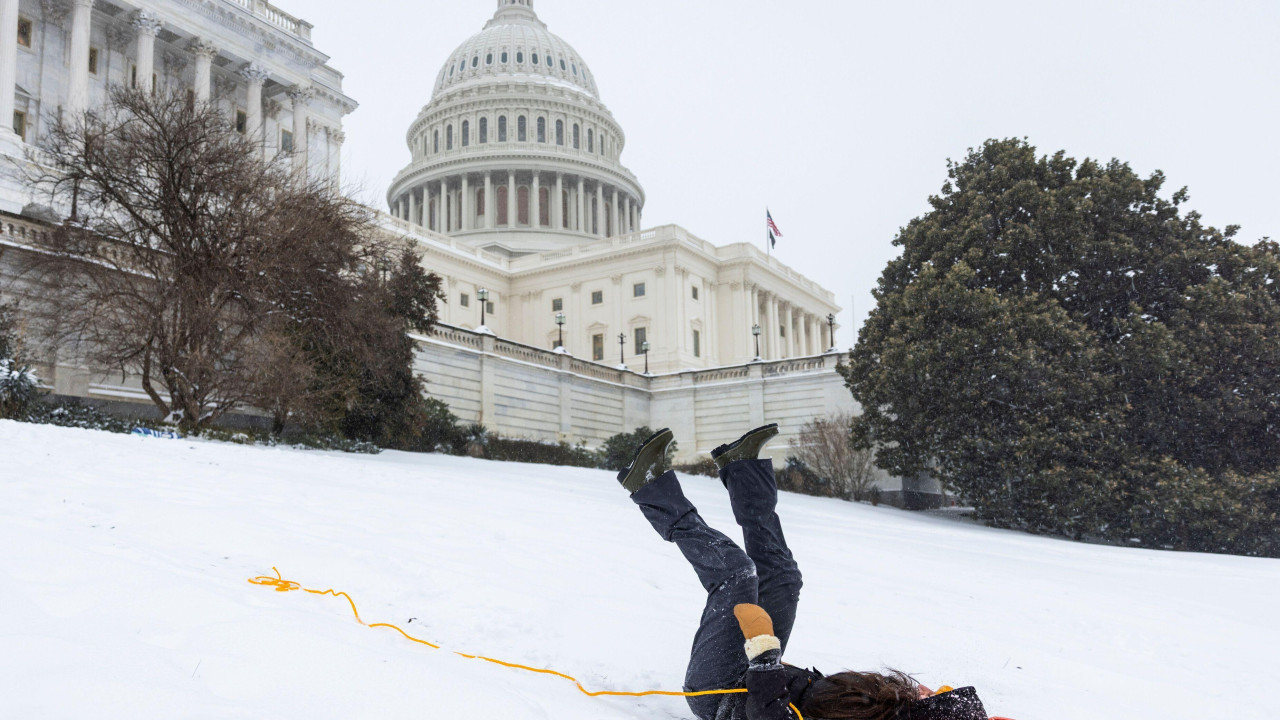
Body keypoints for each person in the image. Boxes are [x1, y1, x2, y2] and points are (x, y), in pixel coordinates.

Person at [617, 424, 1015, 720]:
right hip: (752, 673)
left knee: (736, 574)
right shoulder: (893, 705)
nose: (931, 690)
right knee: (784, 578)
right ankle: (741, 467)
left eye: (933, 697)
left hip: (720, 694)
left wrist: (764, 653)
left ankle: (649, 485)